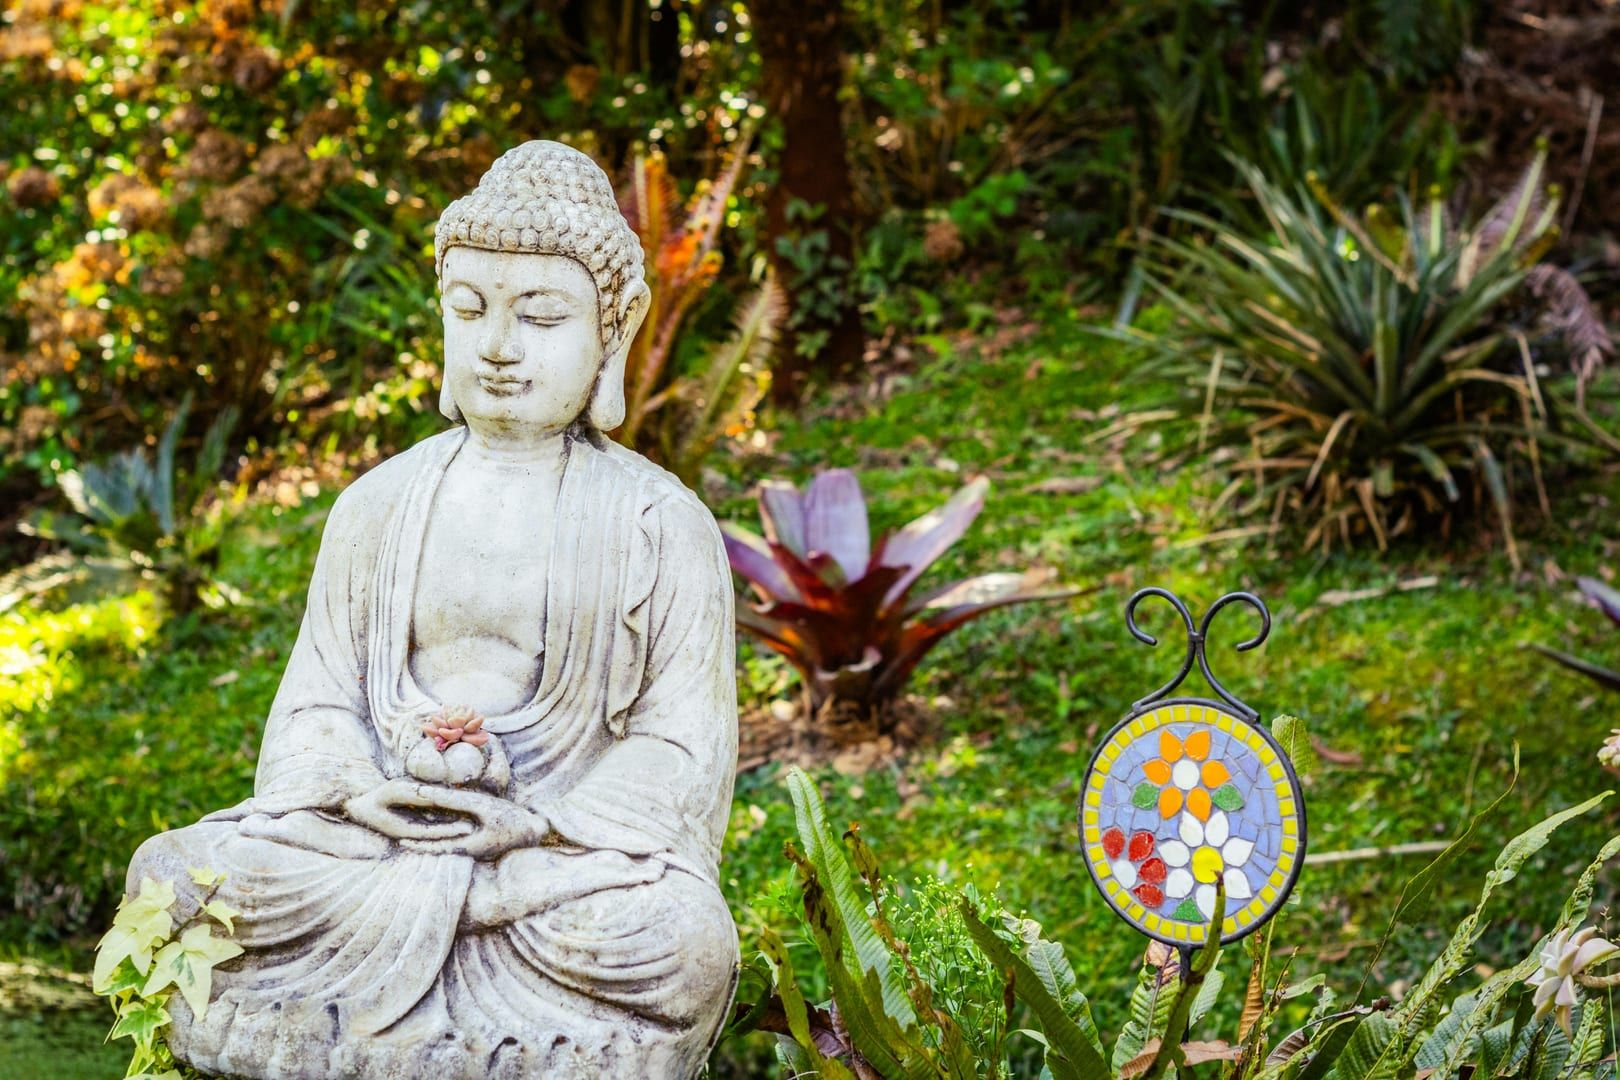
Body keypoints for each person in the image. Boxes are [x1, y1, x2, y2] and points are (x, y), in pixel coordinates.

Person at [123, 141, 740, 1079]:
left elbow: (682, 747)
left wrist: (532, 829)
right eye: (470, 309)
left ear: (612, 333)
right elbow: (317, 701)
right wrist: (357, 792)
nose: (498, 346)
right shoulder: (377, 505)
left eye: (541, 316)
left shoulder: (660, 524)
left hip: (544, 871)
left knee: (682, 941)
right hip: (368, 842)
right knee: (171, 877)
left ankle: (365, 1007)